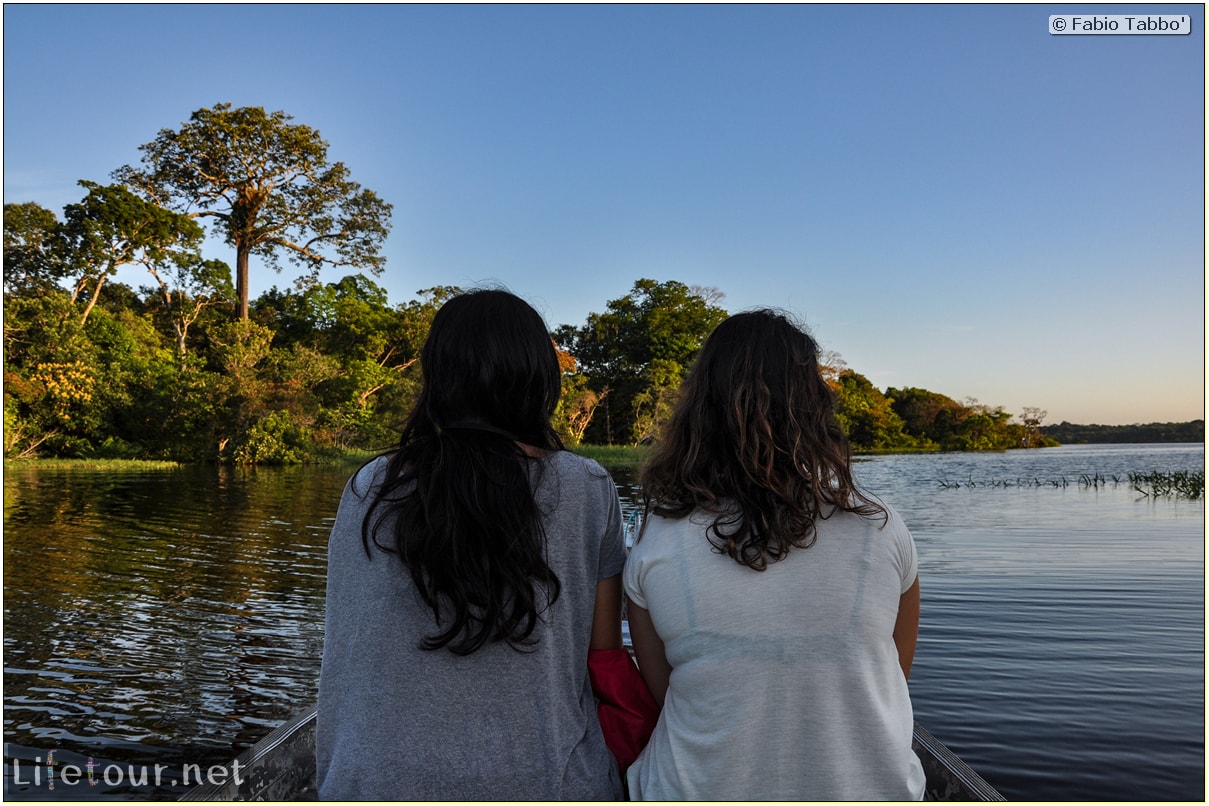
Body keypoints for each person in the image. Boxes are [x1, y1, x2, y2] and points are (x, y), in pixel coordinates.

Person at [316, 289, 627, 800]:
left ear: (438, 379)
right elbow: (604, 654)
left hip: (366, 784)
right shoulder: (585, 487)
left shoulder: (371, 486)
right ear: (539, 381)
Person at [623, 310, 926, 801]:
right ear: (814, 407)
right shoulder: (881, 526)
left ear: (700, 409)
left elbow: (667, 692)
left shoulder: (656, 537)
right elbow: (893, 675)